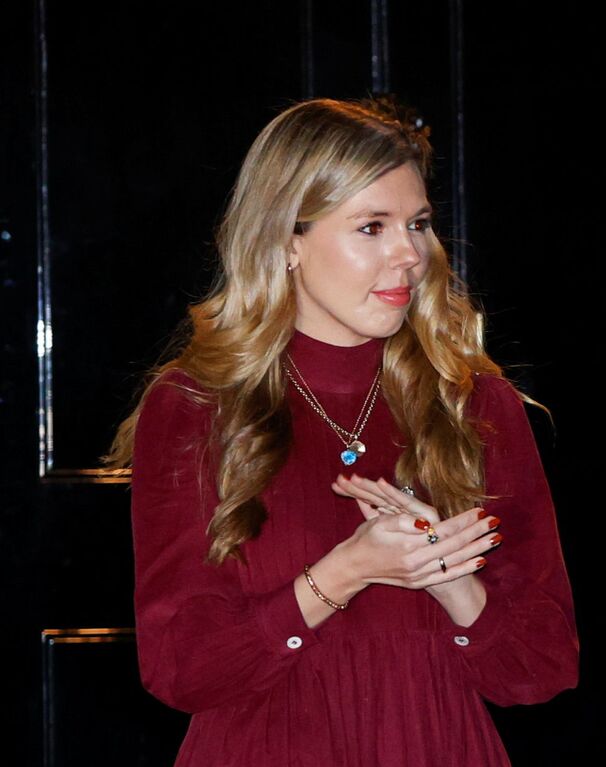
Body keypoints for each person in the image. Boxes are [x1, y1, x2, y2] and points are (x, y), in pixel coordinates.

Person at [108, 98, 578, 765]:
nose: (409, 254)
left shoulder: (474, 403)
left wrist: (449, 580)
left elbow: (542, 668)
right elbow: (182, 668)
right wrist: (347, 569)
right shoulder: (194, 406)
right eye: (371, 227)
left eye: (417, 224)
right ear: (287, 240)